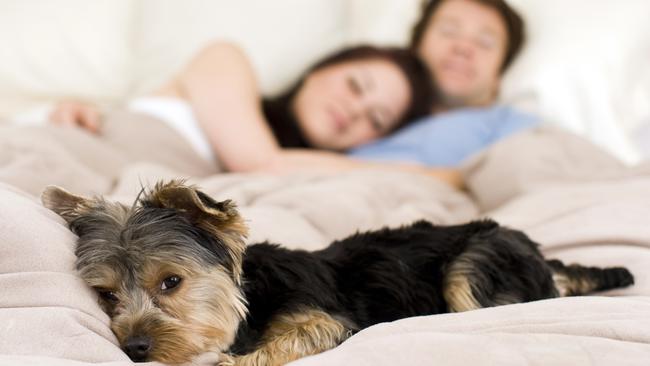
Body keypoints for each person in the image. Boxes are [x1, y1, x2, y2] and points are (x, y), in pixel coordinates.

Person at [49, 43, 463, 188]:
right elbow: (261, 163)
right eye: (356, 85)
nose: (354, 109)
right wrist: (421, 173)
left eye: (376, 120)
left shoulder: (303, 176)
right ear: (322, 68)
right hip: (61, 152)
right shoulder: (227, 59)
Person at [349, 0, 539, 167]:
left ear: (499, 75)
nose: (463, 48)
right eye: (449, 32)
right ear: (415, 46)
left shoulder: (517, 128)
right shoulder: (370, 111)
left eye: (484, 43)